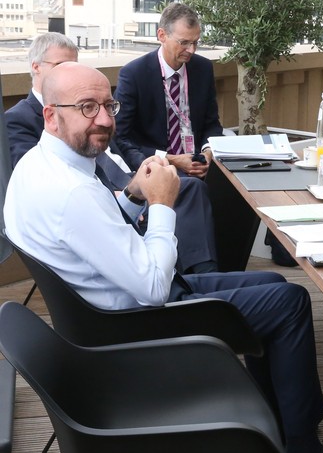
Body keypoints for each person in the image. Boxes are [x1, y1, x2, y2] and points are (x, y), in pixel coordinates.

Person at [3, 62, 323, 453]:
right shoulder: (71, 191)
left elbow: (96, 240)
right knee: (289, 301)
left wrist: (132, 195)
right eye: (87, 108)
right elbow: (153, 288)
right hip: (132, 326)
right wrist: (162, 204)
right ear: (51, 115)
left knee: (274, 283)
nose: (106, 119)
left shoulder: (37, 167)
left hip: (100, 314)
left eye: (109, 105)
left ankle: (281, 432)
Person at [5, 32, 218, 274]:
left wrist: (149, 167)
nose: (103, 118)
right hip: (101, 200)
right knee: (187, 195)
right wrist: (118, 197)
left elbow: (121, 146)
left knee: (194, 186)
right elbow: (45, 182)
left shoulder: (97, 110)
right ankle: (200, 284)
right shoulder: (20, 120)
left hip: (127, 181)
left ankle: (203, 276)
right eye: (62, 66)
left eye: (75, 65)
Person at [114, 2, 222, 177]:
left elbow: (212, 124)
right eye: (184, 42)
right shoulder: (134, 74)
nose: (191, 50)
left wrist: (207, 153)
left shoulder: (203, 69)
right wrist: (171, 159)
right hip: (155, 168)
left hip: (199, 166)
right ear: (162, 35)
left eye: (195, 42)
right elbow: (120, 137)